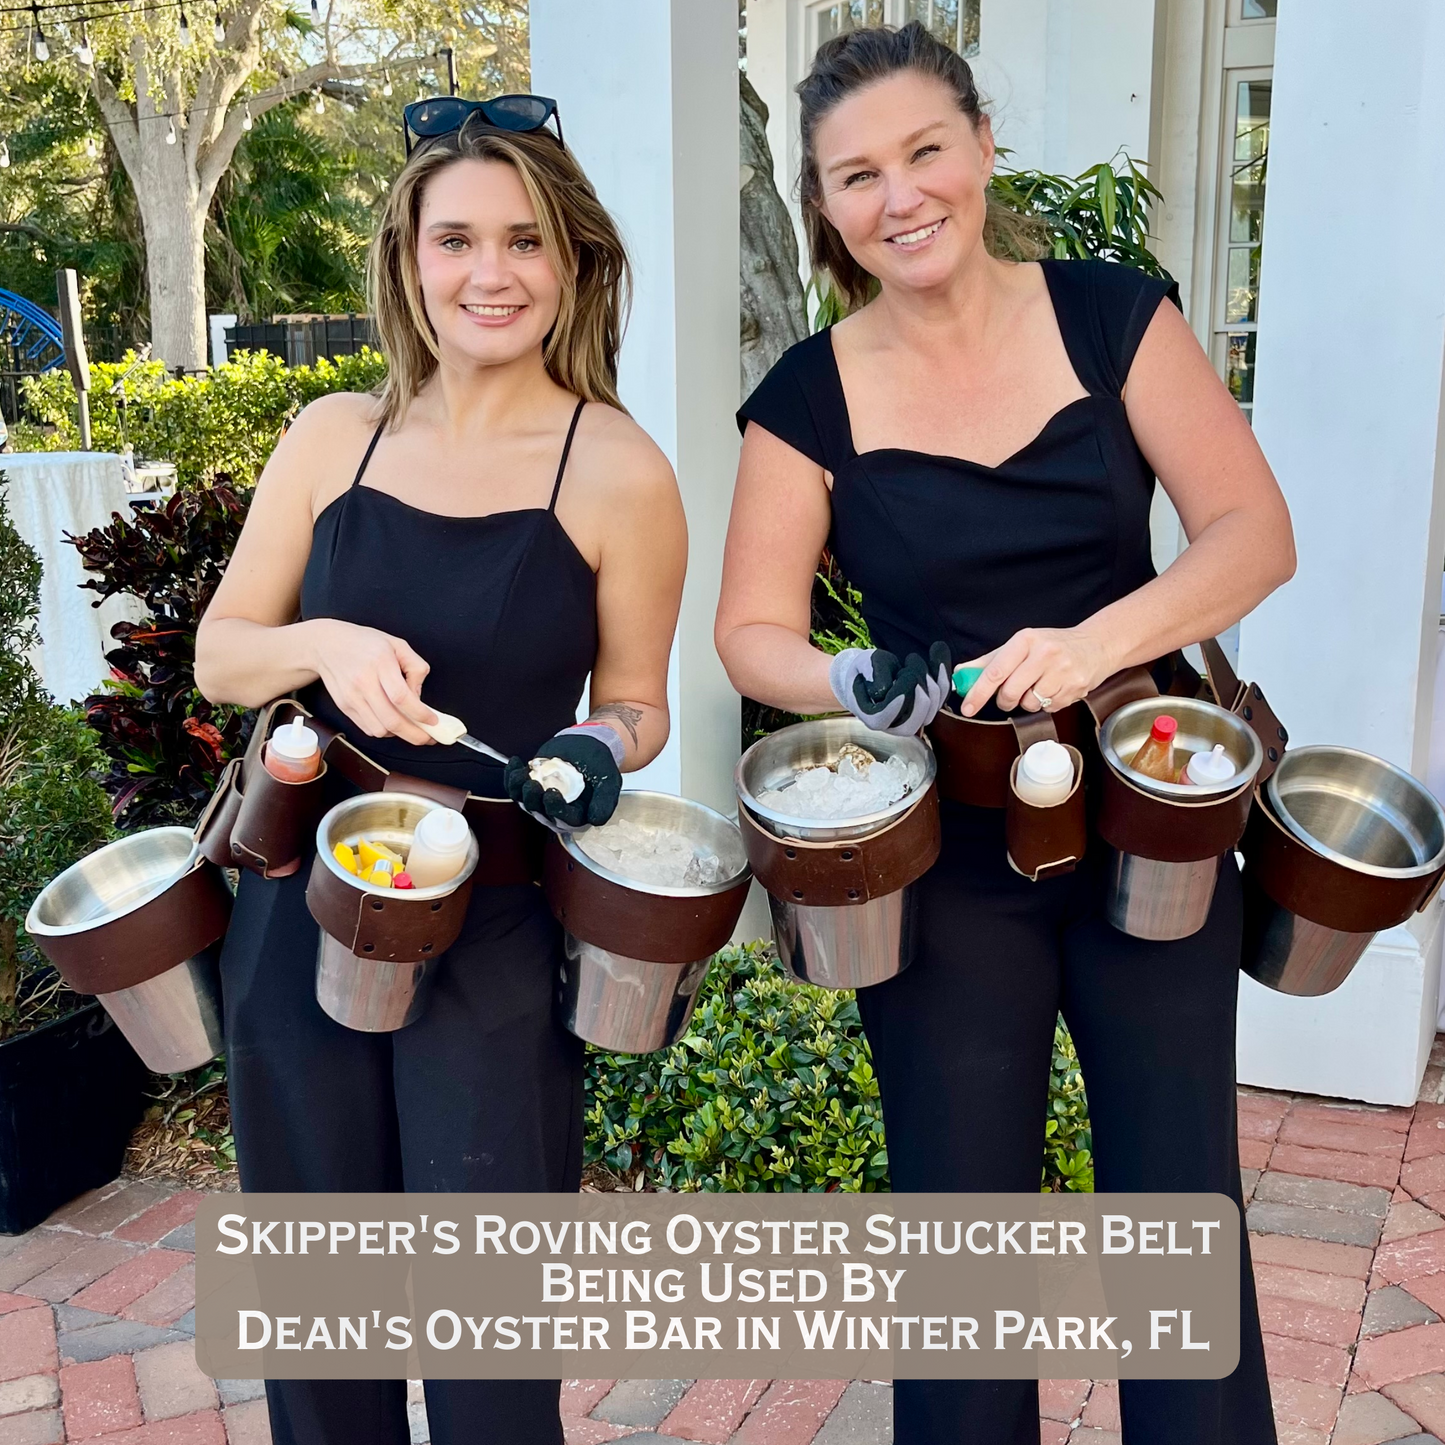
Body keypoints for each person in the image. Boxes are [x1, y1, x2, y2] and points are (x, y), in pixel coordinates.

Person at [715, 23, 1294, 1445]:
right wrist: (853, 681)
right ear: (825, 205)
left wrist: (1095, 645)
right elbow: (751, 633)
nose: (899, 195)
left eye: (923, 151)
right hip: (945, 852)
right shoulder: (806, 397)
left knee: (1175, 1208)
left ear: (979, 146)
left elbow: (1253, 535)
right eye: (856, 176)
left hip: (1148, 815)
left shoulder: (1114, 316)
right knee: (959, 1222)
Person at [194, 94, 686, 1445]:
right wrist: (324, 639)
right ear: (408, 258)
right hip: (301, 910)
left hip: (496, 931)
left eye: (525, 241)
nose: (490, 273)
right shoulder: (329, 436)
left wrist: (597, 746)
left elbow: (637, 704)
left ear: (572, 262)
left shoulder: (620, 470)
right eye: (455, 238)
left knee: (486, 1336)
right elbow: (223, 655)